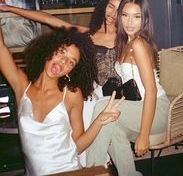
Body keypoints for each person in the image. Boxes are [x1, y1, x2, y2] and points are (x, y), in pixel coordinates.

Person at [0, 0, 157, 164]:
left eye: (119, 9)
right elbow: (49, 20)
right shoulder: (89, 35)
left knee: (90, 110)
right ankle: (81, 164)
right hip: (94, 92)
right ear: (103, 6)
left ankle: (92, 164)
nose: (114, 14)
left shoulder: (126, 35)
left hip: (117, 94)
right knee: (81, 107)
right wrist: (10, 9)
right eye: (110, 7)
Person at [0, 26, 124, 176]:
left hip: (67, 171)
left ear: (72, 70)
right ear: (50, 49)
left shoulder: (71, 94)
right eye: (62, 52)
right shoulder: (22, 87)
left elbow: (77, 146)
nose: (64, 62)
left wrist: (99, 121)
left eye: (71, 62)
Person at [86, 0, 170, 176]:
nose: (129, 22)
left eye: (136, 16)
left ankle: (92, 171)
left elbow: (151, 90)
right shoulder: (125, 42)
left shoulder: (138, 44)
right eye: (125, 15)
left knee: (103, 108)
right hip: (137, 105)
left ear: (145, 19)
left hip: (156, 108)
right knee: (111, 125)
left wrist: (144, 134)